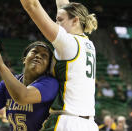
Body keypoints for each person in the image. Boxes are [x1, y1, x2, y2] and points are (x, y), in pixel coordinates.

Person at [19, 0, 98, 130]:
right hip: (88, 124)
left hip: (67, 122)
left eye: (59, 20)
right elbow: (63, 5)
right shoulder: (88, 43)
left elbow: (32, 5)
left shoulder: (68, 43)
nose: (56, 24)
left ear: (75, 21)